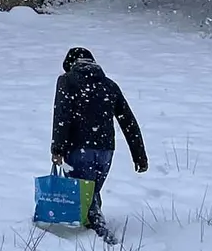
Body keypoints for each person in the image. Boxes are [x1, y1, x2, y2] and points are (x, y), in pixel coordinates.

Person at [51, 46, 148, 243]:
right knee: (91, 192)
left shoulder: (67, 81)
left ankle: (105, 238)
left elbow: (62, 115)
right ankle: (91, 230)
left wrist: (57, 149)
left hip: (79, 147)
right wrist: (139, 155)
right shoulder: (109, 85)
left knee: (88, 196)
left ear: (70, 66)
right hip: (105, 150)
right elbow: (128, 120)